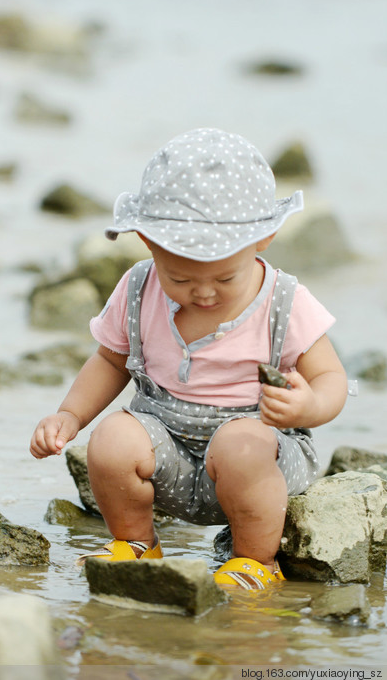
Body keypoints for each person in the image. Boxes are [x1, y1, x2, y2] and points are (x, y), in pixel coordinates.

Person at [30, 128, 348, 590]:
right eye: (179, 278)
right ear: (146, 242)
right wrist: (69, 415)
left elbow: (332, 379)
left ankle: (255, 560)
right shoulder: (139, 289)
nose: (202, 292)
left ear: (265, 238)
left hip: (258, 457)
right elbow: (109, 360)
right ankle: (136, 543)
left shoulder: (284, 301)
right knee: (113, 438)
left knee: (240, 445)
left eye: (224, 278)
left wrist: (308, 407)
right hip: (169, 449)